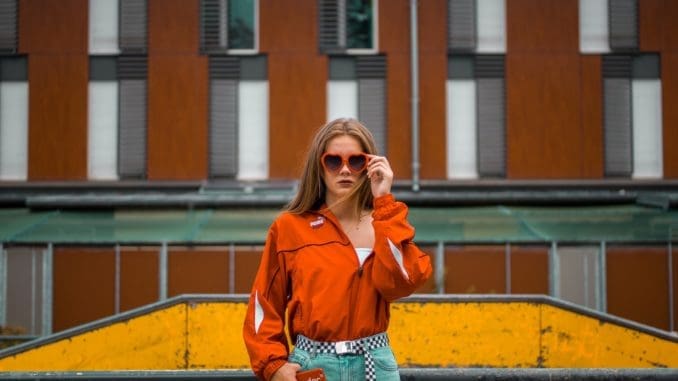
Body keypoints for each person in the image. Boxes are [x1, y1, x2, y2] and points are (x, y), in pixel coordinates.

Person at [242, 118, 432, 380]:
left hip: (374, 364)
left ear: (369, 166)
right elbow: (264, 304)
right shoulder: (289, 228)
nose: (345, 170)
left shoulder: (385, 224)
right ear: (319, 167)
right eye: (333, 161)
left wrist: (383, 201)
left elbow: (402, 282)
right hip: (312, 364)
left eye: (356, 161)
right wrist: (273, 366)